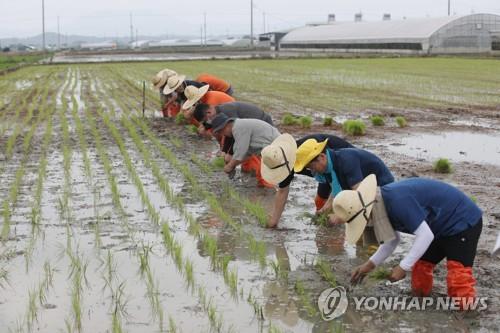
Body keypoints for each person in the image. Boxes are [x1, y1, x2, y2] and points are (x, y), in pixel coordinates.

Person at [332, 174, 483, 310]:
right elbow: (392, 240)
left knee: (458, 276)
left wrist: (402, 267)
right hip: (437, 227)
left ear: (365, 211)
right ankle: (422, 304)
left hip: (462, 221)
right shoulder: (379, 203)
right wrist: (369, 265)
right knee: (420, 267)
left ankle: (467, 315)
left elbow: (425, 236)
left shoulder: (397, 201)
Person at [261, 134, 354, 228]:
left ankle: (338, 233)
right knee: (320, 202)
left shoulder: (310, 148)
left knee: (335, 204)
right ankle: (328, 233)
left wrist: (327, 206)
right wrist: (274, 221)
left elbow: (335, 180)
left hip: (346, 166)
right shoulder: (284, 164)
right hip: (326, 176)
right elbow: (282, 191)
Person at [293, 138, 394, 224]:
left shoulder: (346, 160)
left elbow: (359, 196)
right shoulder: (329, 168)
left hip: (382, 192)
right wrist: (323, 211)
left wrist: (340, 217)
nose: (312, 171)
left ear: (322, 157)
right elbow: (334, 193)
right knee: (361, 234)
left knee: (375, 230)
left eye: (312, 167)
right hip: (367, 195)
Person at [211, 113, 280, 187]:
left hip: (276, 146)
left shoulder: (239, 127)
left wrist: (230, 166)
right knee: (264, 177)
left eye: (221, 132)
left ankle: (269, 192)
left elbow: (241, 152)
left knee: (267, 178)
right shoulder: (238, 128)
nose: (223, 135)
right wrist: (233, 164)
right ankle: (267, 190)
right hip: (270, 148)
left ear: (225, 126)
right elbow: (246, 153)